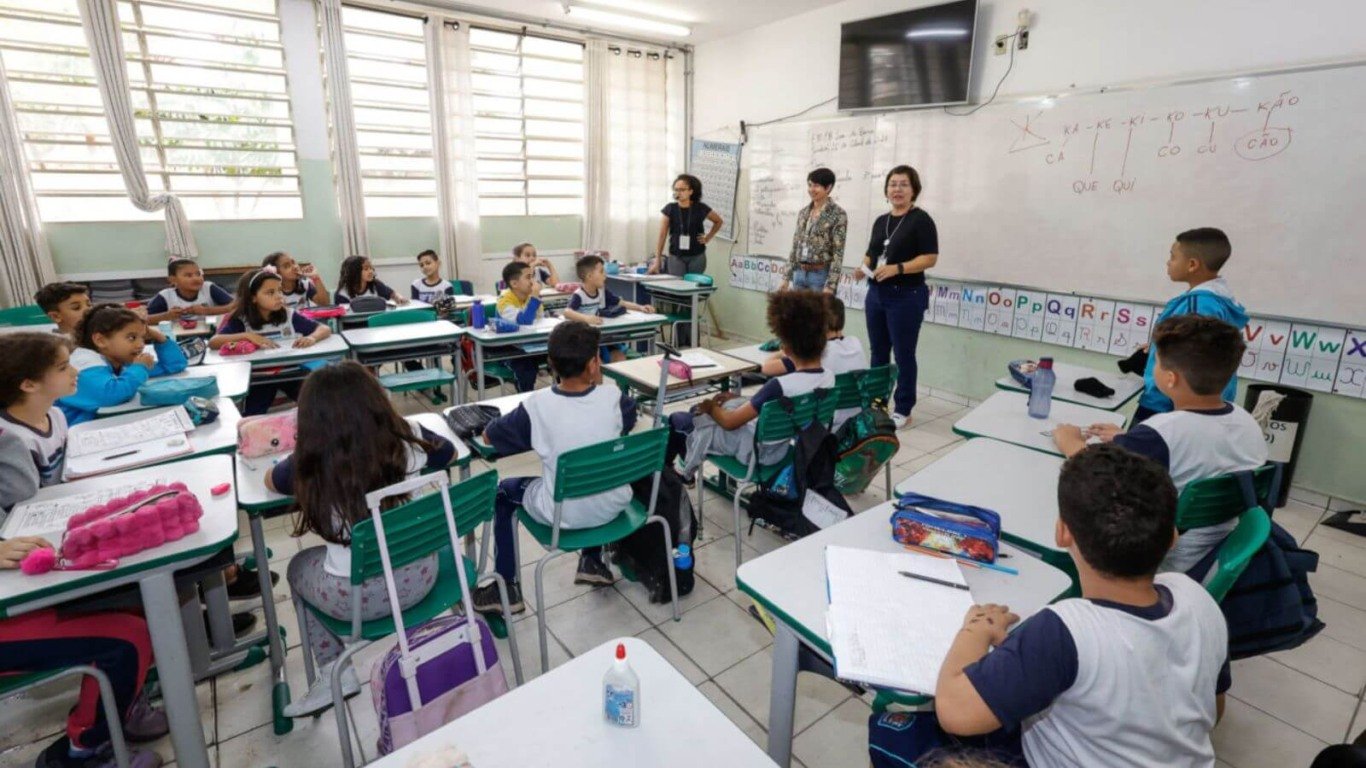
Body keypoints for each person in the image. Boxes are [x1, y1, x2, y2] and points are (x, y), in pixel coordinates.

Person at [929, 444, 1228, 768]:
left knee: (894, 733)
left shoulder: (1066, 630)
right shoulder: (1196, 597)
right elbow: (1215, 710)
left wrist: (976, 629)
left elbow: (955, 712)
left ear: (1062, 533)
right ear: (1172, 537)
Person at [267, 361, 454, 716]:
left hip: (357, 602)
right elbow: (450, 454)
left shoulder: (308, 461)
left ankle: (333, 673)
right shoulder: (409, 437)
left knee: (296, 567)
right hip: (422, 577)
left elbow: (270, 481)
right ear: (377, 399)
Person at [1055, 315, 1267, 573]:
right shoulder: (1246, 421)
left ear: (1170, 379)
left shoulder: (1159, 435)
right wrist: (1129, 439)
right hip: (1219, 551)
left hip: (1163, 561)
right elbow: (1189, 446)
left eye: (1155, 360)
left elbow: (1093, 476)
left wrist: (1070, 442)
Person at [473, 320, 638, 614]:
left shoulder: (537, 406)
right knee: (590, 466)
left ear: (550, 364)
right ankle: (591, 560)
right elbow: (622, 420)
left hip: (565, 514)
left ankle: (506, 588)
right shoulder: (616, 400)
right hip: (613, 505)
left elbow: (490, 437)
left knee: (504, 492)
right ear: (593, 364)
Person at [667, 291, 834, 482]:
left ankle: (677, 477)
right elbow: (772, 407)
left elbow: (730, 423)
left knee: (679, 419)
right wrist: (738, 401)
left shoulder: (779, 386)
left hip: (753, 451)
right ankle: (687, 464)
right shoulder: (828, 379)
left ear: (785, 349)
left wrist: (710, 406)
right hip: (779, 449)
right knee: (703, 412)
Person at [1134, 227, 1248, 423]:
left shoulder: (1197, 306)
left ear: (1192, 264)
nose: (1168, 262)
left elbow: (1193, 359)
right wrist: (1156, 347)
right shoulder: (1216, 301)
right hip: (1192, 403)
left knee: (1144, 451)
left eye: (1173, 257)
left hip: (1169, 404)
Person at [855, 165, 938, 430]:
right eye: (893, 184)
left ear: (914, 190)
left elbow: (930, 258)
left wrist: (897, 268)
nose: (897, 189)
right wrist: (863, 266)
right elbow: (872, 251)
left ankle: (903, 408)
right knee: (878, 351)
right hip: (877, 293)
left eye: (903, 184)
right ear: (886, 189)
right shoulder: (882, 220)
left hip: (907, 295)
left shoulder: (921, 220)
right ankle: (877, 403)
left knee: (903, 354)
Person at [210, 268, 332, 415]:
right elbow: (214, 342)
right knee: (254, 413)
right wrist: (247, 336)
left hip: (291, 372)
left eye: (279, 291)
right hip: (259, 376)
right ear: (253, 297)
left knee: (316, 403)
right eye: (270, 293)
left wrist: (312, 337)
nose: (278, 296)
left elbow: (324, 328)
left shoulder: (289, 315)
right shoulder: (241, 320)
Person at [58, 304, 188, 426]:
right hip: (70, 435)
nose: (141, 345)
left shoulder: (119, 359)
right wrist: (139, 368)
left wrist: (157, 336)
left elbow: (174, 365)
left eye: (143, 338)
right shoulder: (84, 363)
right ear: (101, 340)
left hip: (97, 426)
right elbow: (111, 395)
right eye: (132, 338)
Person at [761, 295, 866, 429]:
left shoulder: (818, 351)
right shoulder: (855, 342)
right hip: (856, 418)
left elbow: (767, 368)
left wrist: (787, 350)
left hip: (829, 423)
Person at [0, 333, 77, 487]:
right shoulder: (13, 439)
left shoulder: (55, 415)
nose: (75, 371)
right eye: (63, 368)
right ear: (29, 385)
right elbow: (23, 503)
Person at [563, 254, 655, 363]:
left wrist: (641, 307)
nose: (605, 276)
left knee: (620, 357)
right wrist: (587, 319)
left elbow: (622, 302)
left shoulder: (601, 291)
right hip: (582, 341)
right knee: (595, 362)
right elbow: (567, 312)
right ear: (589, 276)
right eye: (601, 272)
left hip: (597, 337)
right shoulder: (579, 295)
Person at [780, 167, 847, 293]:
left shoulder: (838, 214)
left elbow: (838, 253)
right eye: (810, 185)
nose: (811, 190)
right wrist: (786, 277)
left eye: (816, 186)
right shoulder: (803, 213)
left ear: (828, 188)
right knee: (797, 313)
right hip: (799, 273)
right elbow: (795, 246)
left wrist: (831, 285)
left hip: (820, 275)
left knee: (817, 313)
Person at [650, 174, 723, 277]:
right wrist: (657, 260)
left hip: (697, 255)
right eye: (676, 190)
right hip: (676, 255)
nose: (678, 193)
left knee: (693, 287)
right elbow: (662, 235)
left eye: (682, 190)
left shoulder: (700, 208)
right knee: (678, 287)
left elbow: (718, 221)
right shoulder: (670, 208)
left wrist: (708, 237)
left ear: (691, 191)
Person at [495, 261, 546, 392]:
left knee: (563, 356)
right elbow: (525, 321)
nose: (532, 281)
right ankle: (525, 397)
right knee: (526, 368)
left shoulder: (529, 297)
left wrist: (534, 299)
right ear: (514, 284)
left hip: (529, 344)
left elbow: (541, 319)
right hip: (509, 349)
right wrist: (535, 297)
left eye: (533, 277)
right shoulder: (504, 301)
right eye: (528, 277)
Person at [144, 259, 233, 325]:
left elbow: (235, 306)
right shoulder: (165, 296)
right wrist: (167, 316)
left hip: (210, 334)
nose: (196, 278)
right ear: (173, 280)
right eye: (188, 275)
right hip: (177, 338)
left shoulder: (208, 288)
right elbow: (143, 320)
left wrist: (207, 310)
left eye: (198, 274)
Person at [262, 251, 329, 309]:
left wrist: (316, 278)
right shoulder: (273, 292)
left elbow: (324, 304)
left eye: (293, 262)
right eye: (287, 266)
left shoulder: (304, 283)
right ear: (276, 274)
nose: (295, 267)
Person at [335, 255, 407, 305]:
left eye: (371, 268)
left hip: (375, 321)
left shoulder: (375, 285)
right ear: (354, 272)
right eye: (366, 269)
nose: (371, 271)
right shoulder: (342, 293)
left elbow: (392, 293)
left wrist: (399, 297)